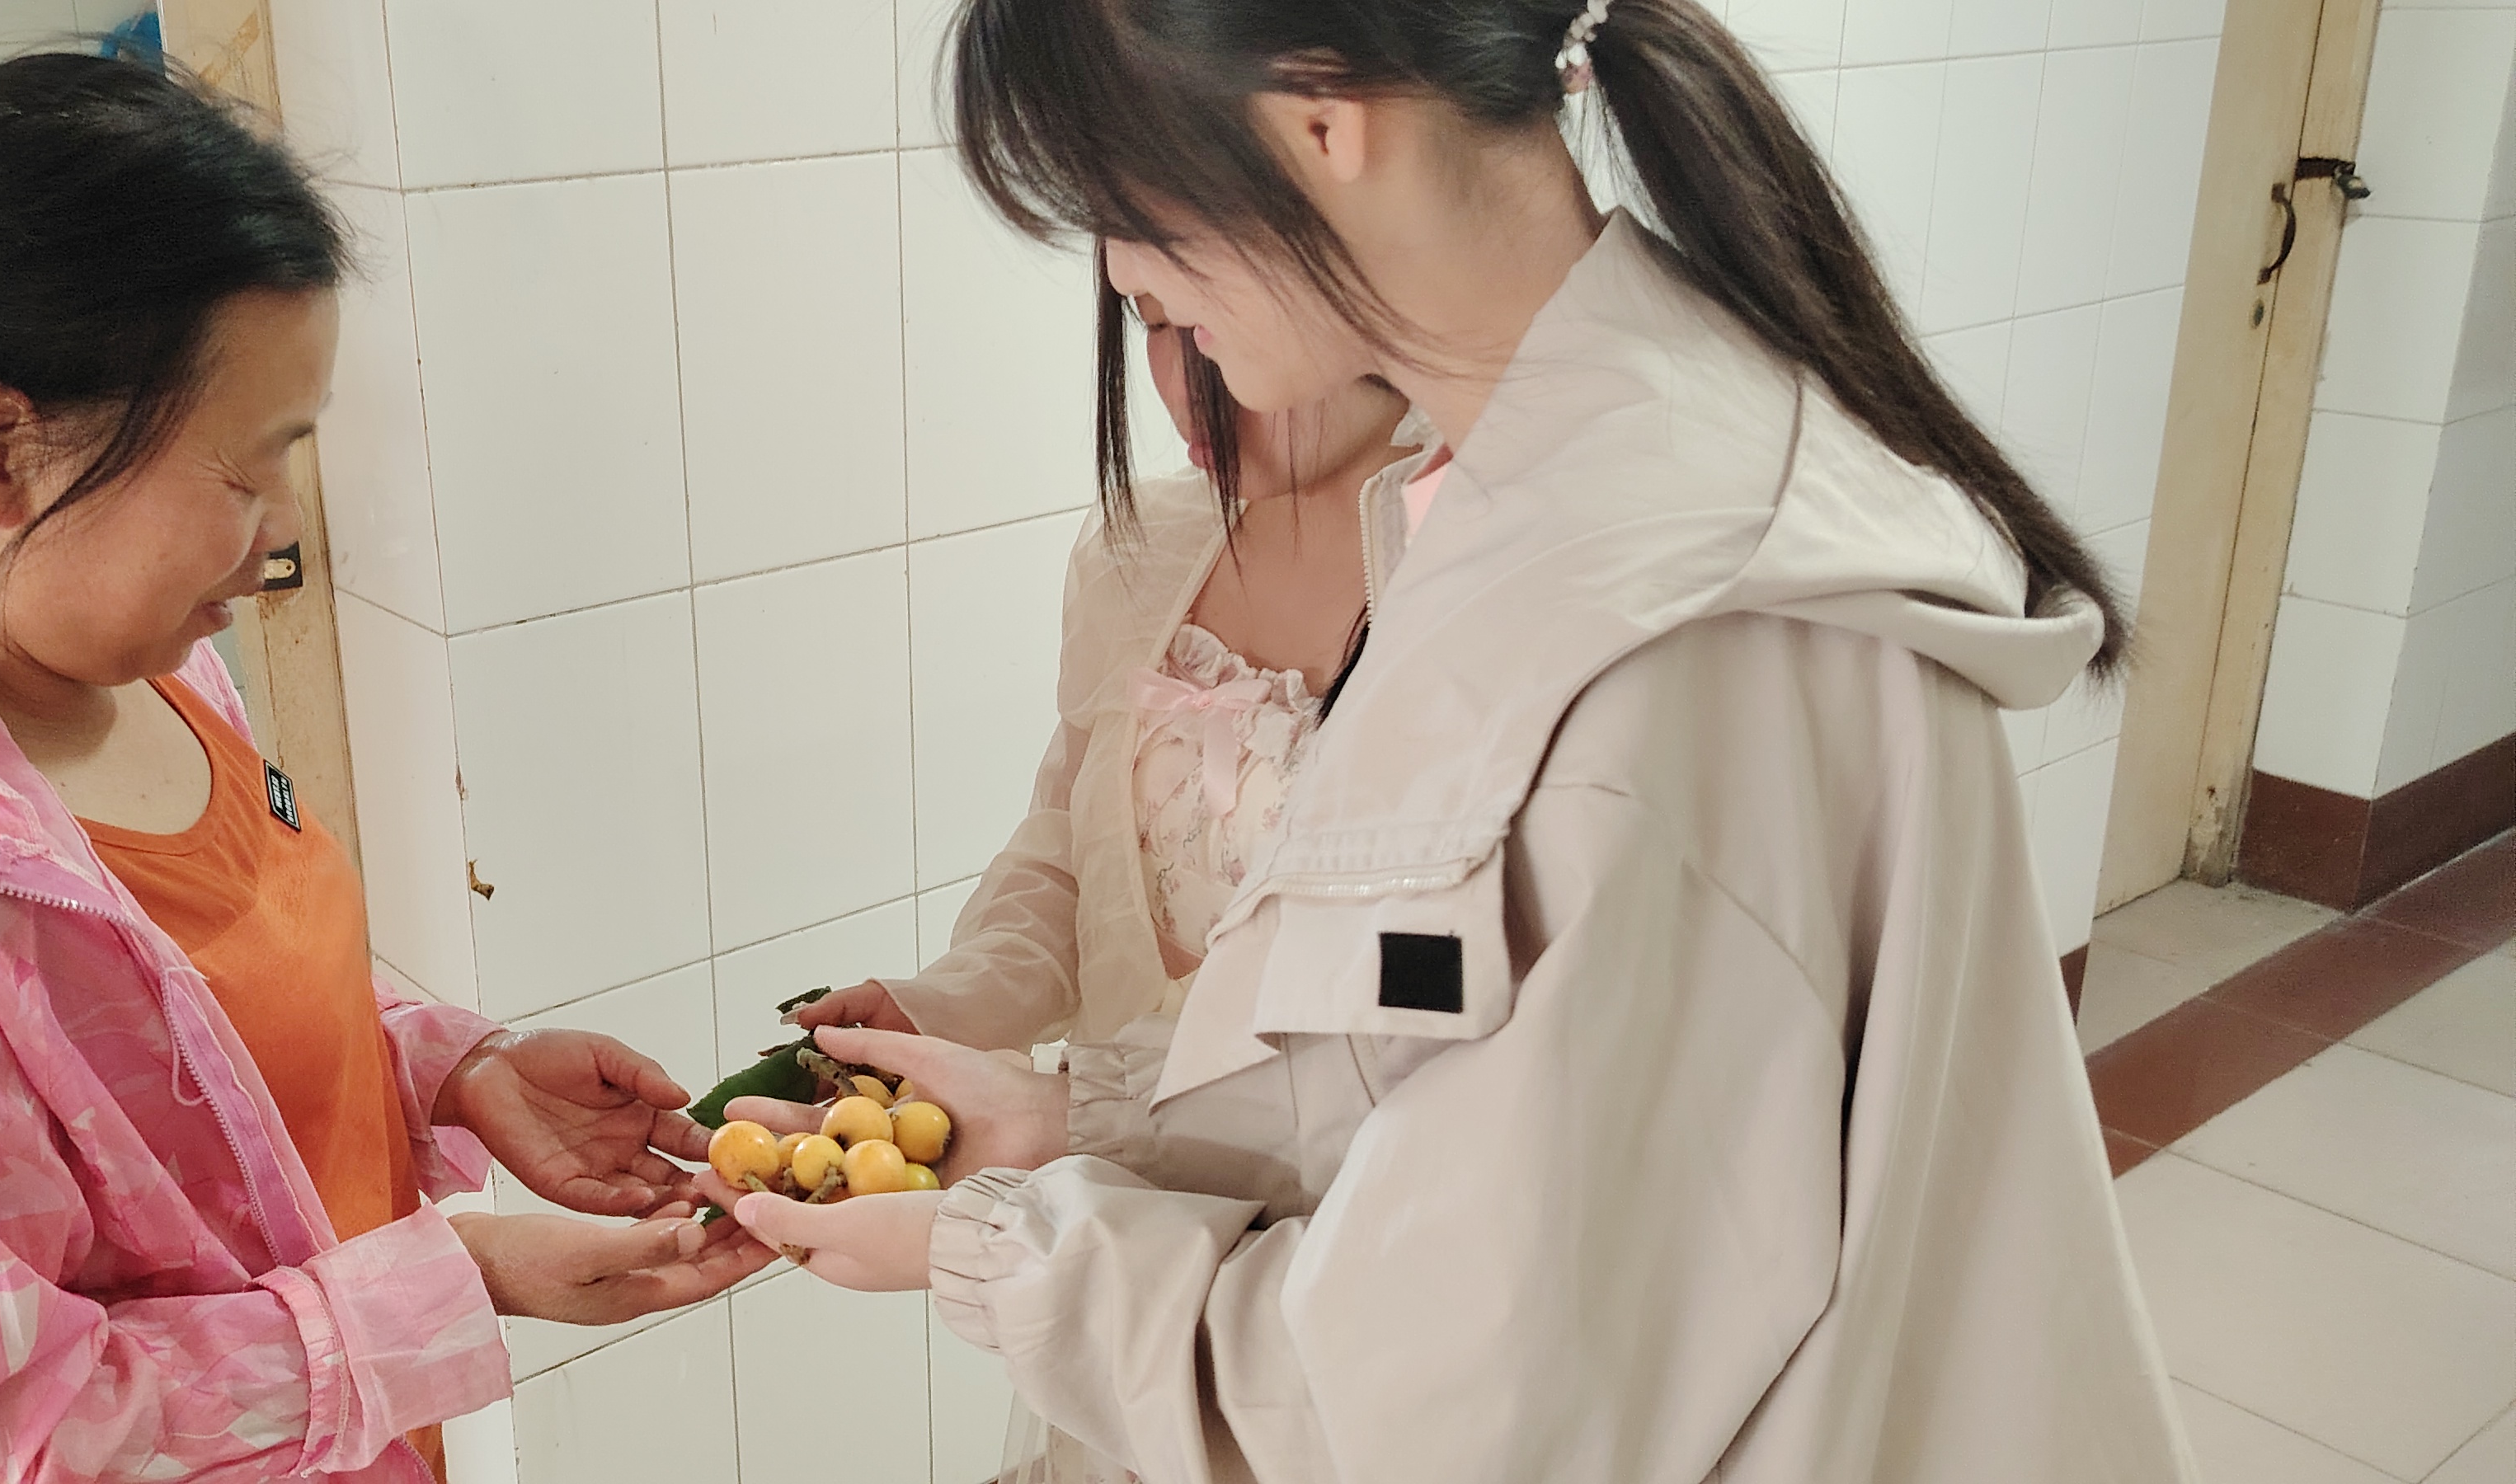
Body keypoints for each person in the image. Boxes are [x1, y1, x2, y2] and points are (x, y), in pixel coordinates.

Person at [717, 2, 2198, 1482]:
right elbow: (1432, 1097)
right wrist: (1071, 1120)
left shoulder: (1663, 634)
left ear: (1317, 114)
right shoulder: (1556, 503)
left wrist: (1002, 1252)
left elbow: (1456, 1402)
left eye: (1123, 201)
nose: (1118, 275)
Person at [0, 55, 770, 1482]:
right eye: (243, 473)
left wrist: (454, 1071)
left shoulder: (156, 673)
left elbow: (202, 1048)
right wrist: (459, 1285)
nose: (283, 525)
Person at [788, 295, 1418, 1057]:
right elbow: (1073, 854)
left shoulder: (1480, 601)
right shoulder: (1151, 550)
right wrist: (946, 1008)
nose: (1180, 384)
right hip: (1103, 1121)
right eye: (1151, 320)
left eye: (1214, 313)